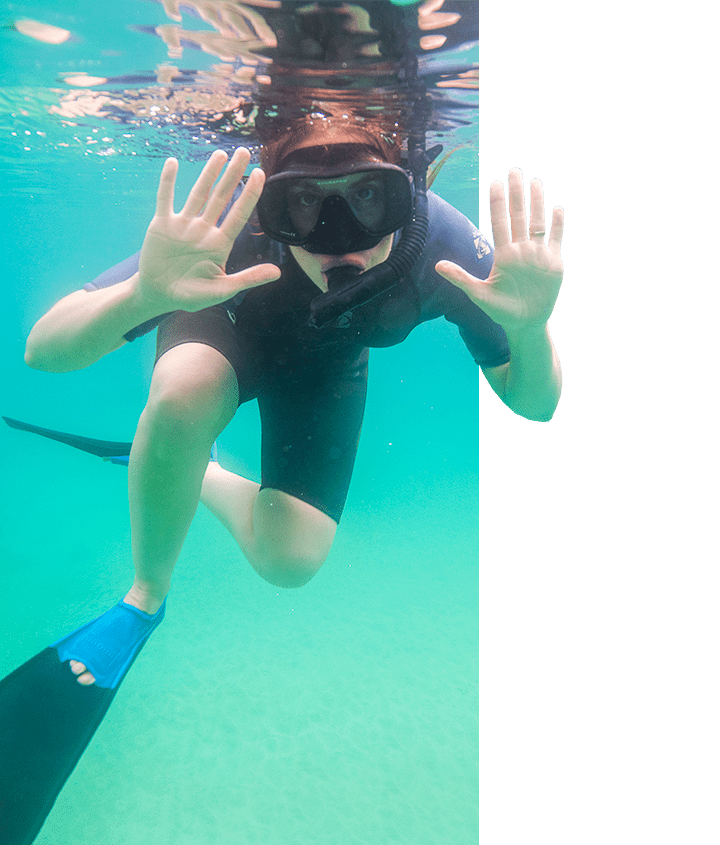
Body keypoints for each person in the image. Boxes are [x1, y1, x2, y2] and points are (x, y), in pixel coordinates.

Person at [20, 124, 563, 688]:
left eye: (370, 196)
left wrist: (530, 331)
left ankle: (183, 466)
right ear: (271, 199)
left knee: (290, 562)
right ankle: (143, 597)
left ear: (409, 194)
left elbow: (535, 406)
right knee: (185, 394)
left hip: (324, 367)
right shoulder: (233, 225)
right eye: (304, 200)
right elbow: (43, 349)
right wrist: (144, 296)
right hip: (221, 323)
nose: (338, 235)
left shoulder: (440, 246)